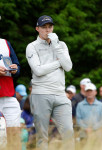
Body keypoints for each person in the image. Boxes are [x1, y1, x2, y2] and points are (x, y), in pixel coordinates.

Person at [26, 15, 74, 150]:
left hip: (60, 94)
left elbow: (68, 67)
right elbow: (38, 70)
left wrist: (57, 47)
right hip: (41, 94)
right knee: (42, 136)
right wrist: (59, 62)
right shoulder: (32, 46)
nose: (48, 30)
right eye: (44, 27)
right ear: (37, 29)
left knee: (68, 132)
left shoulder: (61, 44)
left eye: (50, 27)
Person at [0, 38, 21, 149]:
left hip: (8, 94)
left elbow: (17, 66)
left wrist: (15, 69)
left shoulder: (5, 43)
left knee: (14, 132)